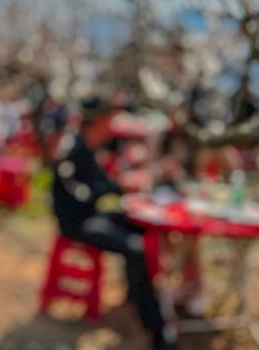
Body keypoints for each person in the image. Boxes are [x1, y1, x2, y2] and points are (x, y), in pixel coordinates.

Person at [46, 106, 176, 350]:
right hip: (77, 222)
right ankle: (156, 328)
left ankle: (136, 294)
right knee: (135, 249)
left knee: (141, 226)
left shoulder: (89, 146)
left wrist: (118, 182)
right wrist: (118, 186)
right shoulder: (71, 150)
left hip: (92, 214)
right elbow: (82, 194)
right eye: (113, 121)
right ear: (100, 121)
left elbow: (96, 186)